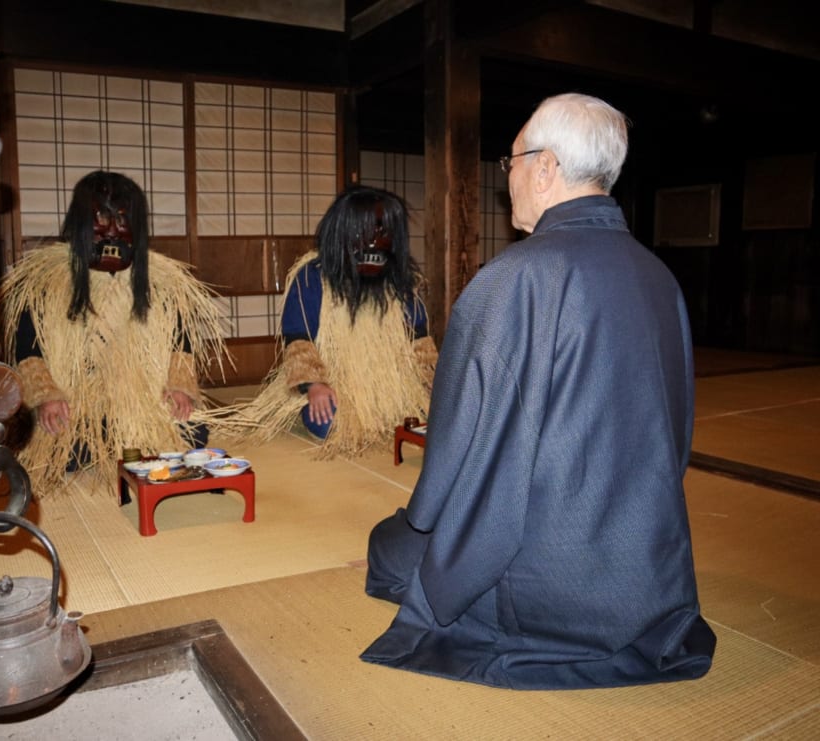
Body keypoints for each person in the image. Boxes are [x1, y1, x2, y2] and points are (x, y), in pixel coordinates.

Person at [360, 93, 716, 689]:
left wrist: (422, 520)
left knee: (388, 549)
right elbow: (675, 434)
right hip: (644, 561)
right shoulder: (659, 276)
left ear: (546, 167)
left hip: (542, 573)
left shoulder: (513, 278)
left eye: (512, 162)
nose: (511, 179)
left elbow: (456, 442)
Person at [2, 170, 228, 497]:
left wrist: (179, 388)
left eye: (122, 222)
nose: (111, 233)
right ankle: (113, 442)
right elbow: (28, 350)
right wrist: (47, 396)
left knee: (193, 432)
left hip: (144, 396)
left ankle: (121, 441)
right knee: (63, 442)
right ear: (80, 226)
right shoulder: (44, 284)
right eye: (100, 221)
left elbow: (182, 344)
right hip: (75, 400)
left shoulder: (163, 283)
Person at [235, 185, 437, 459]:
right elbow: (299, 339)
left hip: (392, 388)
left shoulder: (401, 283)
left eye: (382, 232)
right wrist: (314, 386)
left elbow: (420, 341)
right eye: (362, 232)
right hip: (334, 385)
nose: (373, 241)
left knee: (436, 418)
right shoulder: (312, 277)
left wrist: (432, 384)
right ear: (341, 233)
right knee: (329, 423)